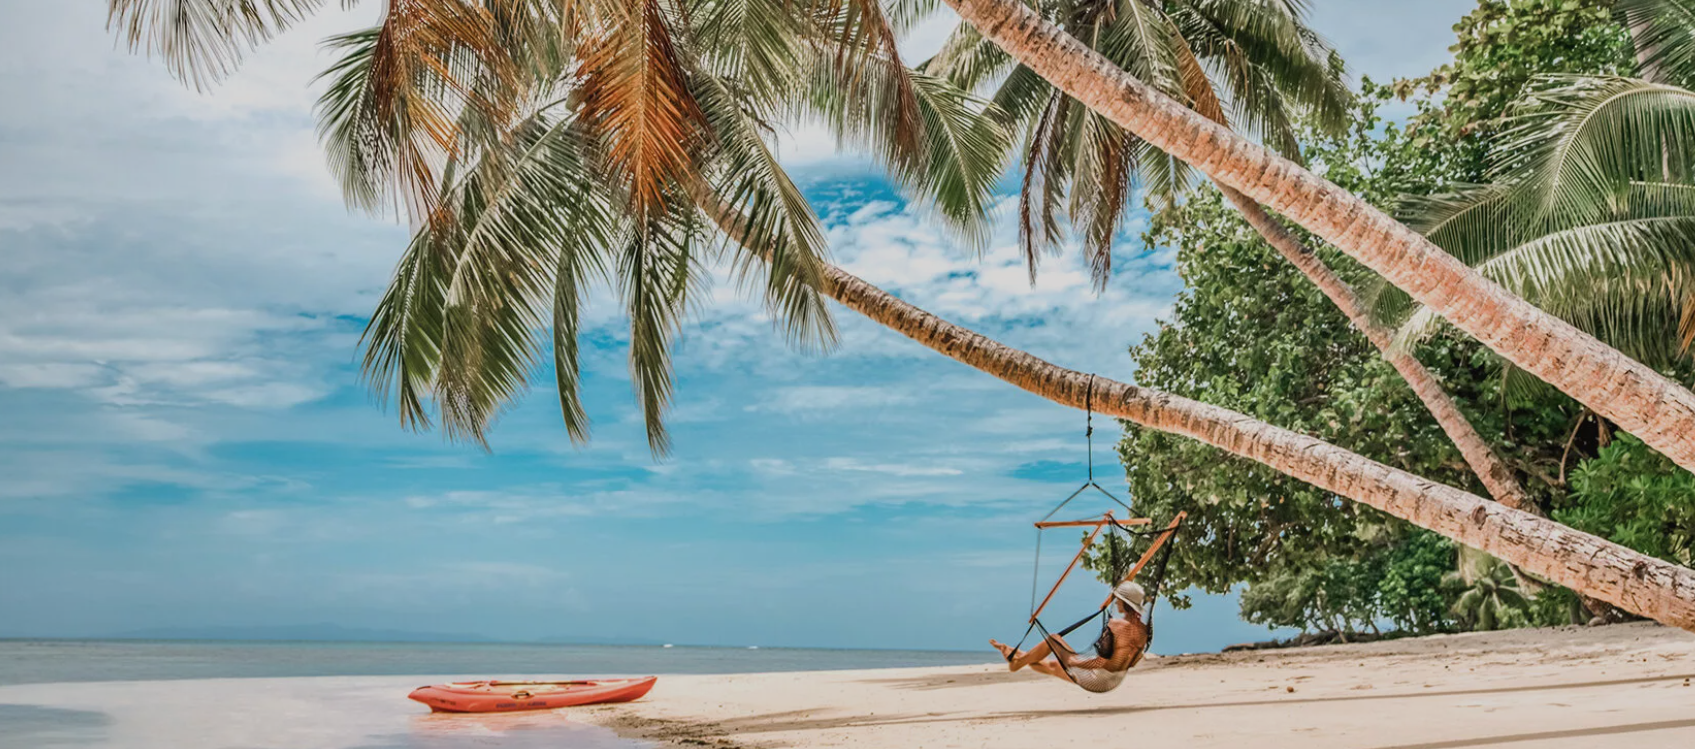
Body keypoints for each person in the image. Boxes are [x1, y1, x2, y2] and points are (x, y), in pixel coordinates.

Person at [990, 580, 1150, 693]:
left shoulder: (1117, 626)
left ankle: (1016, 662)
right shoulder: (1143, 631)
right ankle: (1017, 656)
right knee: (1049, 665)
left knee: (1053, 639)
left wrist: (1076, 662)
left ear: (1124, 602)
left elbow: (1104, 662)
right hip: (1113, 681)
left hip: (1097, 680)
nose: (1115, 603)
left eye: (1117, 599)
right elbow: (1131, 659)